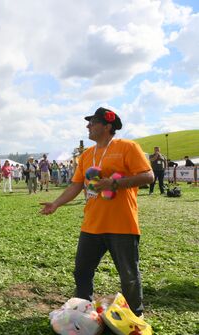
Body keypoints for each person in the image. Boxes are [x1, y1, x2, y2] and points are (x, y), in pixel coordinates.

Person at [40, 107, 153, 318]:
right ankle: (83, 312)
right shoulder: (86, 155)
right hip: (92, 224)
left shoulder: (127, 147)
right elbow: (75, 185)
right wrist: (56, 204)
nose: (87, 126)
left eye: (92, 122)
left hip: (122, 224)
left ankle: (135, 317)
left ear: (107, 126)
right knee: (81, 271)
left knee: (128, 275)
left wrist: (114, 183)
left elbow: (148, 176)